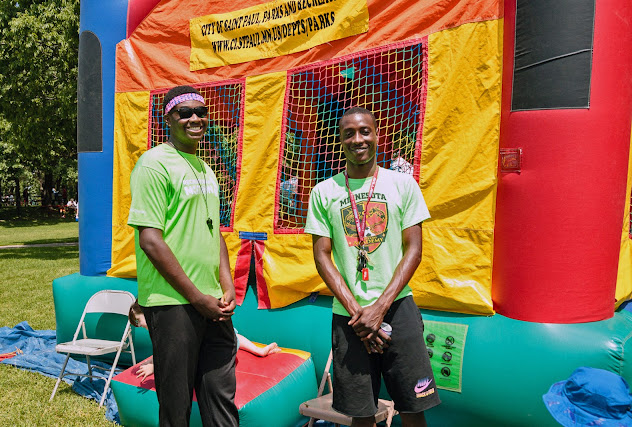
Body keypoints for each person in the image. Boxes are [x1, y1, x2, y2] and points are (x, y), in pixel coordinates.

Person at [305, 107, 440, 427]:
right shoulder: (323, 192)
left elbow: (414, 249)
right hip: (349, 316)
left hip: (398, 308)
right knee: (361, 414)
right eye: (349, 133)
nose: (358, 139)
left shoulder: (403, 185)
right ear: (340, 140)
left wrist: (379, 309)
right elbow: (322, 256)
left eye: (365, 131)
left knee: (413, 409)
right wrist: (359, 314)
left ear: (377, 135)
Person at [127, 85, 239, 427]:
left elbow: (214, 233)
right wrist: (196, 298)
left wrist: (227, 285)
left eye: (201, 112)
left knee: (221, 397)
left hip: (213, 303)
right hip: (172, 303)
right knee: (176, 408)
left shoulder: (205, 168)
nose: (194, 119)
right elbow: (150, 241)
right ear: (168, 119)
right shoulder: (153, 164)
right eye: (184, 112)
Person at [128, 301, 281, 381]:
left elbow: (178, 354)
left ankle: (259, 351)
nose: (140, 325)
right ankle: (259, 350)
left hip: (213, 358)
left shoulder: (167, 326)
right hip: (225, 346)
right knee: (232, 337)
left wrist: (154, 367)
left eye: (138, 320)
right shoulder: (164, 324)